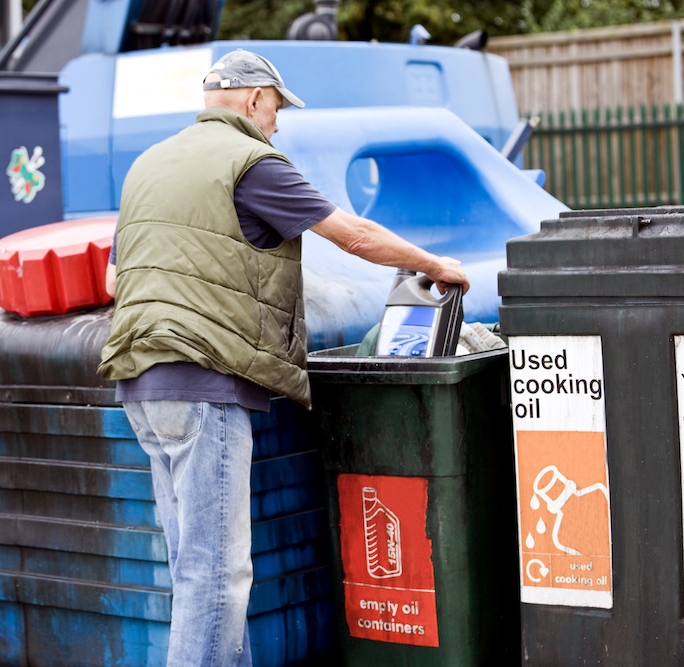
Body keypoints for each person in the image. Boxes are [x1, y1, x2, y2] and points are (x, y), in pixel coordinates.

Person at [98, 49, 470, 667]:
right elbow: (352, 234)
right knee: (217, 579)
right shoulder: (251, 162)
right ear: (252, 99)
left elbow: (116, 277)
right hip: (203, 383)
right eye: (276, 108)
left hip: (143, 385)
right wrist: (435, 265)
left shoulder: (149, 165)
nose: (279, 123)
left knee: (195, 572)